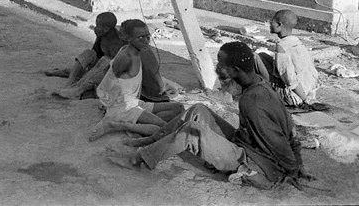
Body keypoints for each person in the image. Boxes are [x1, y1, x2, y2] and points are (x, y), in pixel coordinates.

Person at [111, 41, 313, 190]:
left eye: (221, 65)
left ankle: (138, 160)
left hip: (258, 164)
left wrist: (294, 169)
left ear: (235, 70)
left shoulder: (252, 101)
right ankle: (153, 140)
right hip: (246, 144)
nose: (218, 68)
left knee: (192, 132)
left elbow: (278, 141)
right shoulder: (259, 84)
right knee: (198, 109)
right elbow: (290, 128)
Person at [89, 20, 184, 141]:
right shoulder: (126, 57)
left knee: (179, 107)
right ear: (127, 38)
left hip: (134, 102)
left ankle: (140, 121)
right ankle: (117, 125)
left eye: (147, 36)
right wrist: (106, 102)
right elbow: (107, 81)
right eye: (140, 37)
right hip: (124, 108)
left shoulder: (136, 52)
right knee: (163, 128)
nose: (146, 40)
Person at [49, 12, 126, 99]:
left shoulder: (121, 41)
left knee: (105, 60)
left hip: (110, 75)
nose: (95, 28)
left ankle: (78, 90)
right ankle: (70, 82)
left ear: (106, 28)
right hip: (98, 68)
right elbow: (95, 53)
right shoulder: (102, 36)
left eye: (98, 25)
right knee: (88, 53)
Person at [256, 10, 318, 107]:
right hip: (308, 90)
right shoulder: (296, 41)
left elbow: (290, 79)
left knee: (255, 58)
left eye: (272, 22)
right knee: (262, 55)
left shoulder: (281, 47)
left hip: (293, 97)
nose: (269, 24)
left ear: (279, 25)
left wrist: (306, 100)